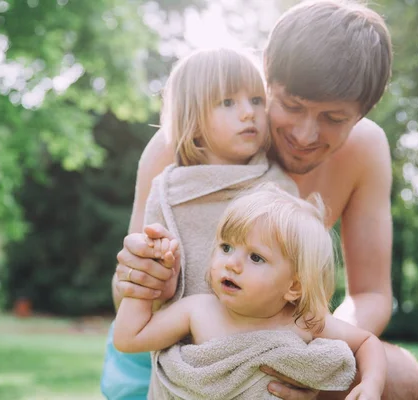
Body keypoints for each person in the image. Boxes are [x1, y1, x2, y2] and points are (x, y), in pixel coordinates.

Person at [106, 1, 418, 399]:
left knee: (404, 380)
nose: (306, 134)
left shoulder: (365, 150)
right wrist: (140, 278)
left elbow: (370, 294)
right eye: (291, 106)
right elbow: (125, 292)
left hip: (280, 337)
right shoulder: (188, 142)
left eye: (334, 118)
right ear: (267, 77)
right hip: (172, 345)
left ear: (363, 113)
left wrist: (307, 348)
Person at [101, 46, 298, 399]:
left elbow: (303, 278)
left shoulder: (279, 187)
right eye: (227, 103)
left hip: (259, 356)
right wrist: (158, 275)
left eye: (256, 100)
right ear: (193, 119)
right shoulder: (168, 189)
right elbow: (143, 293)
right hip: (181, 359)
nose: (248, 113)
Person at [114, 186, 387, 400]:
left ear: (294, 286)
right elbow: (129, 338)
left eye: (256, 258)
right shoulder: (198, 310)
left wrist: (371, 386)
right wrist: (146, 280)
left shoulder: (303, 322)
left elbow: (366, 343)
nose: (231, 263)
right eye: (226, 247)